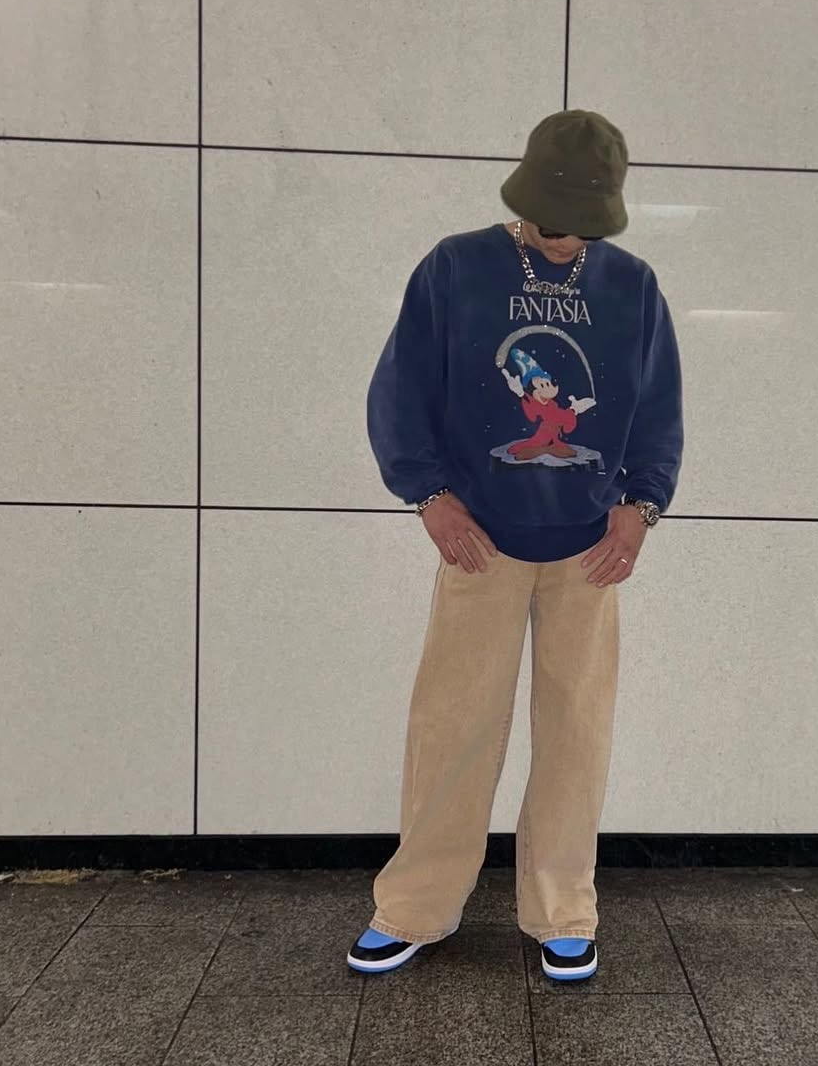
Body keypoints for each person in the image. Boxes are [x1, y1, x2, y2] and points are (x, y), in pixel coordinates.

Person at [347, 109, 684, 982]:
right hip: (481, 547)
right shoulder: (457, 268)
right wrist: (429, 496)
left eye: (584, 224)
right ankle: (415, 905)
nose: (567, 237)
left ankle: (563, 907)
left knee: (577, 733)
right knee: (452, 728)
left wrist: (642, 507)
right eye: (554, 218)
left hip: (589, 551)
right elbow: (401, 391)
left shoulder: (632, 286)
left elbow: (658, 409)